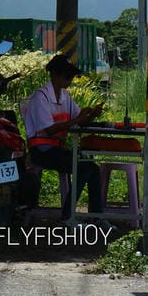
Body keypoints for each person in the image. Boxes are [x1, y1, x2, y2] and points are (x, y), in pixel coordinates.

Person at [21, 53, 105, 222]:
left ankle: (97, 217)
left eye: (72, 76)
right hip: (41, 151)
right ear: (55, 75)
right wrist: (78, 119)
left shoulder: (65, 96)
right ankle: (68, 217)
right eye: (67, 76)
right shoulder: (41, 97)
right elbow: (50, 129)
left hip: (57, 149)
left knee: (93, 169)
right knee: (84, 168)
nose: (71, 80)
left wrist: (91, 114)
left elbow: (78, 119)